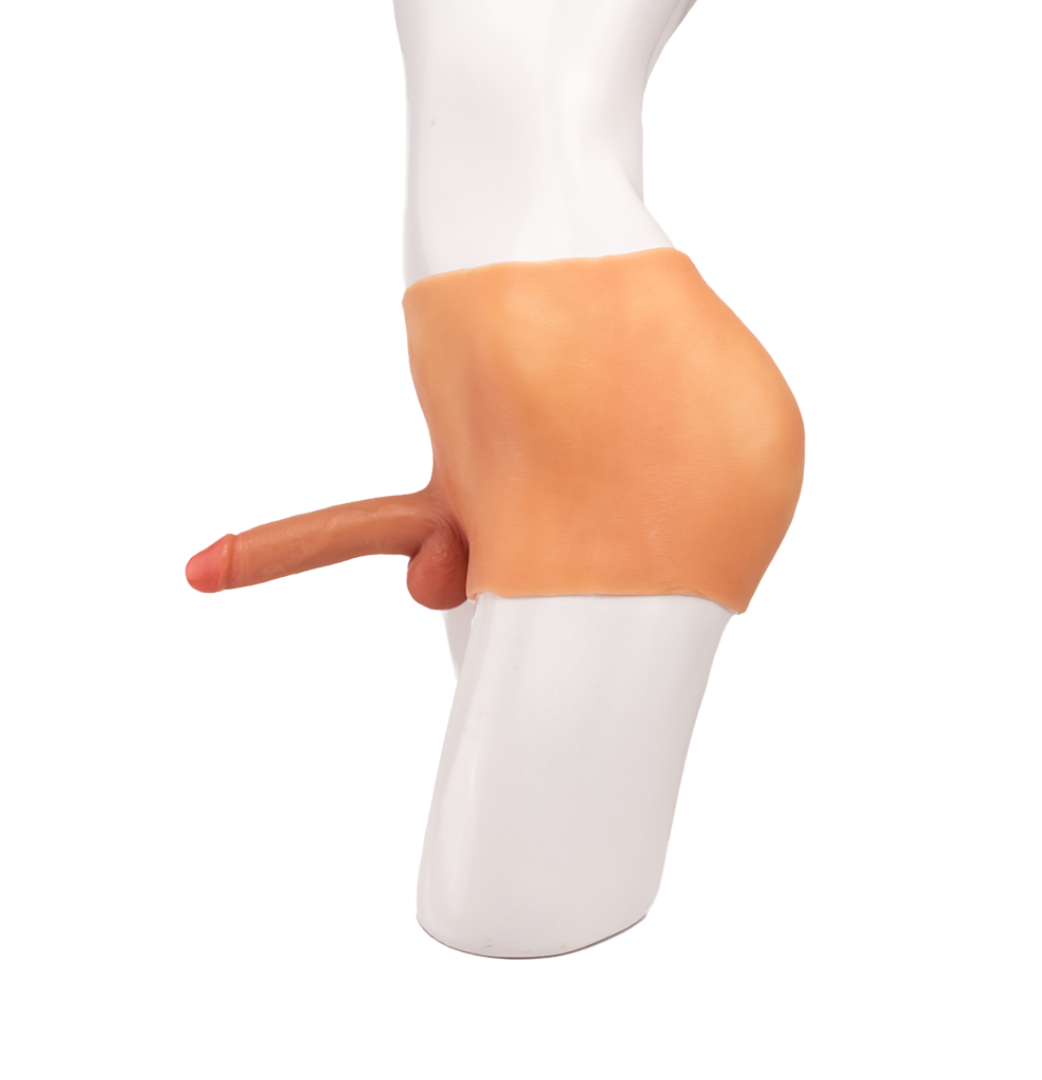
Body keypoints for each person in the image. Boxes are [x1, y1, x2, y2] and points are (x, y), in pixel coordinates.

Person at [186, 0, 803, 957]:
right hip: (507, 424)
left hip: (629, 423)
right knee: (512, 894)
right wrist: (483, 446)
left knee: (500, 911)